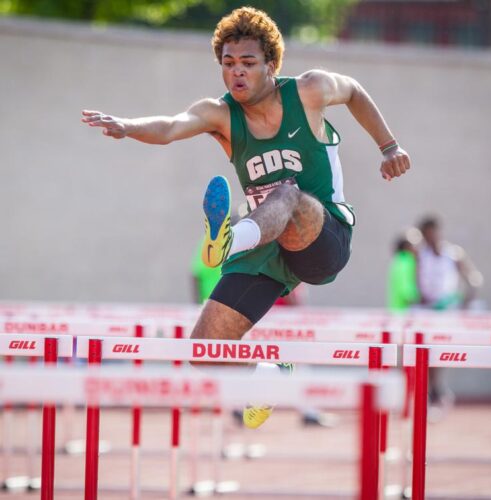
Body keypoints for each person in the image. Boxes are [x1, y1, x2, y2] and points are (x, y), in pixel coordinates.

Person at [82, 7, 411, 428]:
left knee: (288, 193)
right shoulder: (220, 114)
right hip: (267, 245)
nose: (237, 73)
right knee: (205, 348)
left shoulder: (308, 90)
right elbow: (169, 126)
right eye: (228, 64)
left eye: (248, 64)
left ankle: (227, 241)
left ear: (271, 66)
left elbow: (354, 91)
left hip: (322, 236)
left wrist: (389, 147)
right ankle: (268, 378)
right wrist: (127, 125)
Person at [416, 215, 483, 413]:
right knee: (423, 353)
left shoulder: (453, 254)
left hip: (447, 312)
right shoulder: (420, 255)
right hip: (426, 312)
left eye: (432, 232)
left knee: (438, 354)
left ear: (437, 232)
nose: (430, 237)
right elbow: (414, 282)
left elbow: (474, 278)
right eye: (426, 234)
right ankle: (431, 392)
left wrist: (466, 301)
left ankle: (436, 391)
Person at [387, 234, 420, 312]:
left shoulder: (397, 260)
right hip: (404, 309)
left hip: (395, 306)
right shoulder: (407, 261)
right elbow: (404, 284)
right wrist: (411, 297)